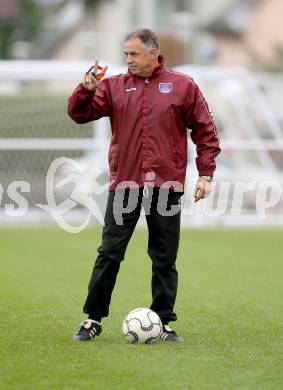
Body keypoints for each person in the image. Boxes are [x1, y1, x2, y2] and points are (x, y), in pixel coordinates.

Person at [68, 28, 221, 342]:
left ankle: (164, 321)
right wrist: (85, 89)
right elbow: (78, 114)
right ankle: (93, 319)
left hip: (166, 187)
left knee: (164, 257)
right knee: (109, 253)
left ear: (153, 53)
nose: (129, 60)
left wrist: (206, 174)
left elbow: (206, 132)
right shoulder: (113, 87)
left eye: (134, 54)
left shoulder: (183, 86)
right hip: (124, 185)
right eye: (126, 54)